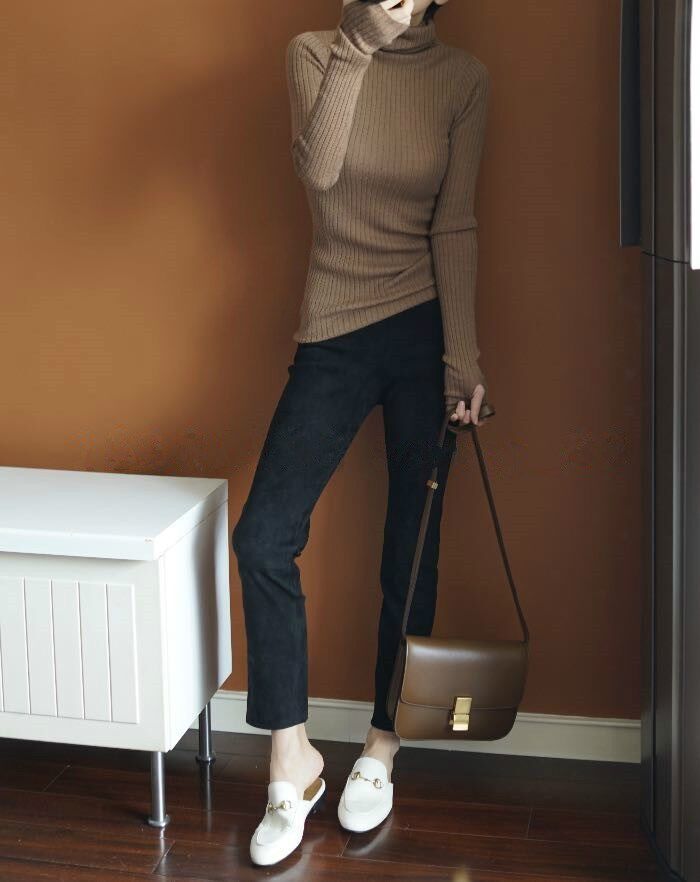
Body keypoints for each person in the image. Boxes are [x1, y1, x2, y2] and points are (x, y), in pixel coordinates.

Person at [231, 0, 492, 865]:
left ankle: (383, 746)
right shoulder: (316, 53)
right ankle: (291, 759)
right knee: (264, 535)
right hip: (335, 327)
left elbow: (454, 222)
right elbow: (320, 171)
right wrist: (359, 45)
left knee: (410, 555)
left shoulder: (462, 79)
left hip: (423, 333)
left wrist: (463, 357)